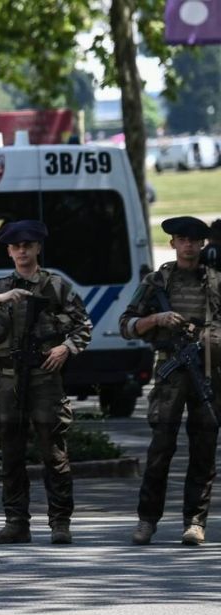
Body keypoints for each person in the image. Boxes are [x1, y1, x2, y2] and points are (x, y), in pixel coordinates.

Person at [0, 220, 92, 545]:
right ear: (9, 251)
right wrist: (1, 298)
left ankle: (60, 523)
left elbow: (84, 325)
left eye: (27, 245)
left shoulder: (56, 286)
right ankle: (16, 522)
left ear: (37, 248)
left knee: (54, 454)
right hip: (8, 380)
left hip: (45, 380)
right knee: (11, 453)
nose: (22, 250)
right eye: (15, 246)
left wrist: (66, 348)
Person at [119, 215, 221, 546]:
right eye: (182, 239)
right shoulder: (157, 282)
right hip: (170, 375)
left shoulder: (216, 282)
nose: (188, 245)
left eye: (194, 240)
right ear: (173, 243)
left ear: (203, 244)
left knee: (204, 449)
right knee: (161, 449)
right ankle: (147, 521)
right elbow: (126, 324)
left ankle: (195, 522)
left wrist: (209, 338)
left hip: (207, 374)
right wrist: (156, 318)